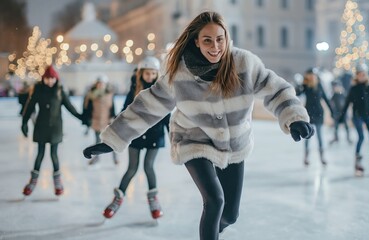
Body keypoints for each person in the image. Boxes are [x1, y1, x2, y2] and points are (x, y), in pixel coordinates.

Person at [83, 11, 313, 240]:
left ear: (226, 38)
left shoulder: (244, 64)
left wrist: (295, 117)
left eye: (220, 39)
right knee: (215, 200)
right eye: (207, 40)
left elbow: (277, 89)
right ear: (196, 41)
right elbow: (146, 106)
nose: (215, 46)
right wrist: (112, 139)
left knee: (230, 215)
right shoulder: (179, 75)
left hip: (234, 143)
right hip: (193, 140)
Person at [103, 56, 170, 220]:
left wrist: (174, 137)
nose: (150, 77)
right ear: (141, 73)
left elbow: (167, 115)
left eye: (153, 73)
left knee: (148, 166)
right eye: (147, 73)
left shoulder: (161, 91)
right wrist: (116, 134)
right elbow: (124, 114)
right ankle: (117, 199)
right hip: (136, 135)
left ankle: (154, 201)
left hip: (155, 134)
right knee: (132, 168)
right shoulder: (134, 90)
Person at [21, 65, 82, 196]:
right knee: (40, 154)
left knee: (54, 155)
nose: (50, 81)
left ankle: (58, 182)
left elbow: (70, 107)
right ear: (43, 79)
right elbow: (30, 107)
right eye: (47, 79)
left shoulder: (59, 91)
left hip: (55, 128)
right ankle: (32, 182)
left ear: (56, 79)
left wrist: (82, 117)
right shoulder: (38, 90)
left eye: (52, 79)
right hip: (41, 126)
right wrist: (24, 122)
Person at [338, 64, 369, 177]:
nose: (361, 76)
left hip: (368, 115)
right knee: (361, 137)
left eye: (363, 74)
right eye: (359, 75)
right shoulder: (353, 89)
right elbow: (346, 104)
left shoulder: (368, 87)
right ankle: (358, 161)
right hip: (357, 116)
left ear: (365, 76)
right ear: (356, 76)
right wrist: (342, 116)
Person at [296, 68, 334, 166]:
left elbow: (325, 99)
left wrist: (332, 111)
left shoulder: (319, 86)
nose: (312, 76)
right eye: (310, 75)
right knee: (307, 136)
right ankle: (306, 157)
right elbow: (297, 94)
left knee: (320, 137)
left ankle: (322, 157)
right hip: (308, 114)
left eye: (314, 75)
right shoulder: (305, 86)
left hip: (319, 114)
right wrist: (300, 85)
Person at [82, 75, 118, 165]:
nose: (100, 85)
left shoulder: (109, 95)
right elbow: (87, 108)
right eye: (99, 84)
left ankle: (115, 158)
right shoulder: (91, 95)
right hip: (96, 121)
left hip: (107, 121)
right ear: (96, 84)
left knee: (111, 141)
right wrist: (87, 120)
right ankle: (96, 158)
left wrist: (113, 118)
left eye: (102, 84)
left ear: (105, 85)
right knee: (97, 142)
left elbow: (112, 108)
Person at [329, 80, 352, 145]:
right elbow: (331, 103)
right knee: (336, 127)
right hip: (337, 114)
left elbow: (347, 103)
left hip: (343, 113)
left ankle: (348, 138)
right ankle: (336, 138)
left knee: (346, 127)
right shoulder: (334, 95)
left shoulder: (343, 95)